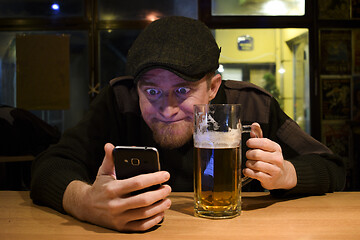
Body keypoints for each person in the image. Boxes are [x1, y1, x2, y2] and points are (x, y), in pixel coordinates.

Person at [30, 16, 346, 232]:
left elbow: (334, 169)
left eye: (183, 90)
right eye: (151, 91)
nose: (167, 109)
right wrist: (85, 203)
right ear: (135, 87)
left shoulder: (252, 105)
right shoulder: (118, 101)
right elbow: (48, 167)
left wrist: (286, 174)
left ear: (212, 87)